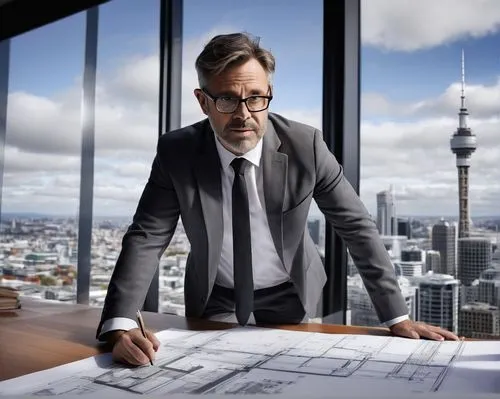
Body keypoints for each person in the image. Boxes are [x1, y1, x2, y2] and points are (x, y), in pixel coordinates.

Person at [96, 32, 459, 366]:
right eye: (226, 99)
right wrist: (120, 323)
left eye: (255, 98)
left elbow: (356, 227)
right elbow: (147, 236)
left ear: (268, 92)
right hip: (214, 293)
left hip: (290, 290)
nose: (243, 114)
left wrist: (397, 317)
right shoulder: (177, 151)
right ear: (203, 101)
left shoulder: (306, 146)